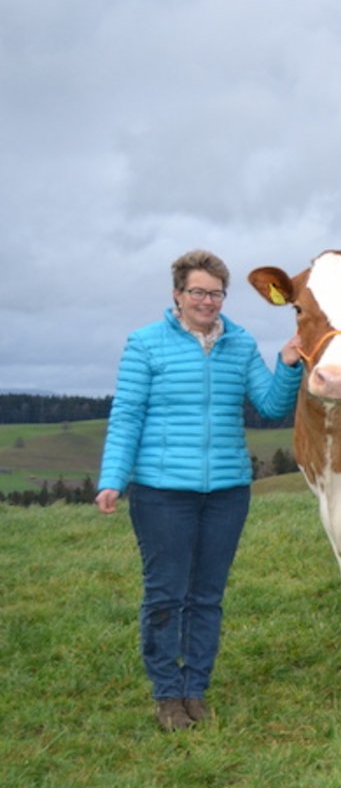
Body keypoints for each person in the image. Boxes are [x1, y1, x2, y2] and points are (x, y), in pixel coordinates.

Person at [96, 249, 303, 732]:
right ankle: (168, 696)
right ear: (177, 294)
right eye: (197, 292)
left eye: (215, 293)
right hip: (162, 491)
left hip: (227, 491)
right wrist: (112, 478)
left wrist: (288, 362)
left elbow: (271, 405)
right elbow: (127, 415)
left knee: (207, 596)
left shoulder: (240, 343)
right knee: (166, 593)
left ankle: (196, 690)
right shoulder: (145, 344)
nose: (207, 301)